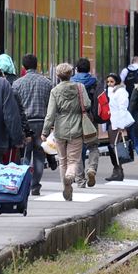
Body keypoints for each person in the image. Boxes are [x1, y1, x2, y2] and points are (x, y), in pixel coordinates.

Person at [41, 63, 91, 201]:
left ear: (57, 76)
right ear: (71, 74)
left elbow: (50, 114)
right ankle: (70, 175)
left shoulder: (55, 91)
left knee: (62, 161)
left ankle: (66, 187)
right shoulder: (80, 87)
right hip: (77, 127)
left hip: (60, 129)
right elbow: (87, 104)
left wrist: (45, 132)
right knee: (74, 160)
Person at [12, 53, 54, 195]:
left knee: (25, 155)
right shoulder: (47, 83)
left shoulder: (17, 83)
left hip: (25, 124)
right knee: (39, 155)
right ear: (37, 65)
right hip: (42, 123)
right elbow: (51, 105)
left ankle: (24, 183)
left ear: (23, 67)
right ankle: (35, 185)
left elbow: (15, 106)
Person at [72, 57, 100, 188]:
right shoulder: (94, 82)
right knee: (93, 146)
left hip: (74, 119)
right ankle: (92, 169)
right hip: (90, 119)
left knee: (77, 149)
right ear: (89, 69)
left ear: (76, 69)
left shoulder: (70, 83)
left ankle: (80, 180)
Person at [104, 72, 134, 181]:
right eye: (108, 82)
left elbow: (123, 108)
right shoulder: (109, 91)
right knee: (113, 146)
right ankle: (117, 171)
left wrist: (121, 125)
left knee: (114, 146)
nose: (109, 84)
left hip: (116, 123)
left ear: (116, 81)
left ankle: (118, 171)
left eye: (111, 81)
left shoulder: (121, 92)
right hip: (111, 121)